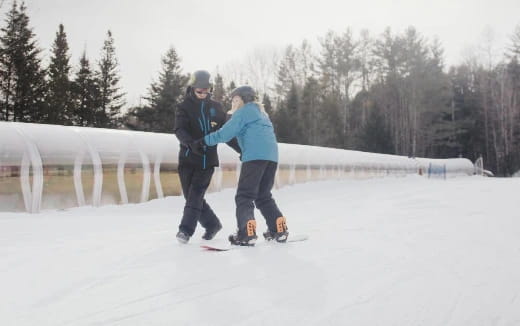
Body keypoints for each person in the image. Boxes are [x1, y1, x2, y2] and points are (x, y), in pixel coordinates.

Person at [196, 85, 289, 246]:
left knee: (244, 196)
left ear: (242, 99)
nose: (232, 102)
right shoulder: (262, 114)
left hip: (254, 158)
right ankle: (278, 228)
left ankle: (247, 233)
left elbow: (225, 134)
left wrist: (203, 141)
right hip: (271, 158)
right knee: (263, 195)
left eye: (234, 99)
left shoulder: (244, 112)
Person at [173, 70, 240, 244]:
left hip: (207, 161)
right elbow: (180, 129)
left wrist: (241, 149)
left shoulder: (216, 108)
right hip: (188, 158)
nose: (203, 94)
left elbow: (226, 133)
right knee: (191, 197)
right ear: (192, 88)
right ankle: (212, 224)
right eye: (199, 91)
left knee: (195, 195)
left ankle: (185, 231)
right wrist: (190, 143)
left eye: (207, 90)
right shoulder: (184, 106)